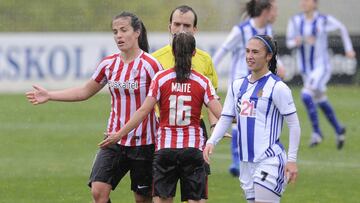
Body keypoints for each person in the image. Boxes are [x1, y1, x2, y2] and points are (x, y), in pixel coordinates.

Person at [26, 11, 163, 203]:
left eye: (124, 30)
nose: (119, 36)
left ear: (137, 32)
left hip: (145, 143)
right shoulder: (109, 64)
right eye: (115, 32)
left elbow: (163, 102)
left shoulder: (151, 65)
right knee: (98, 192)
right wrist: (50, 95)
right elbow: (84, 91)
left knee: (142, 199)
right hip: (113, 140)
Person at [99, 33, 222, 203]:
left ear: (172, 52)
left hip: (165, 150)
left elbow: (143, 111)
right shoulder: (202, 81)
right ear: (194, 53)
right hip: (193, 149)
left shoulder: (161, 78)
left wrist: (119, 134)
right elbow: (221, 114)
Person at [204, 35, 301, 203]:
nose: (250, 56)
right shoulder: (237, 85)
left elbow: (294, 125)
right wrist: (212, 141)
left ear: (268, 56)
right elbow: (226, 117)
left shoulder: (278, 87)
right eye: (247, 51)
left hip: (269, 160)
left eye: (255, 52)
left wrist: (291, 160)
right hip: (246, 162)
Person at [212, 0, 283, 177]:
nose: (276, 14)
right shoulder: (242, 30)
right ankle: (237, 160)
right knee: (239, 117)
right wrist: (209, 73)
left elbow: (270, 54)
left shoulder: (267, 32)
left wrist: (279, 65)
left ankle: (256, 155)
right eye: (274, 10)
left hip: (260, 83)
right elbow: (223, 50)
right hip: (241, 83)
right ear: (265, 11)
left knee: (255, 118)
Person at [286, 0, 356, 149]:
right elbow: (289, 42)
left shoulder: (323, 20)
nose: (303, 2)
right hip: (306, 69)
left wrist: (349, 49)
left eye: (307, 0)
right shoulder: (295, 21)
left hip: (321, 67)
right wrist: (297, 42)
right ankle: (339, 129)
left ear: (315, 3)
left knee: (306, 95)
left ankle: (317, 132)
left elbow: (341, 28)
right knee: (320, 99)